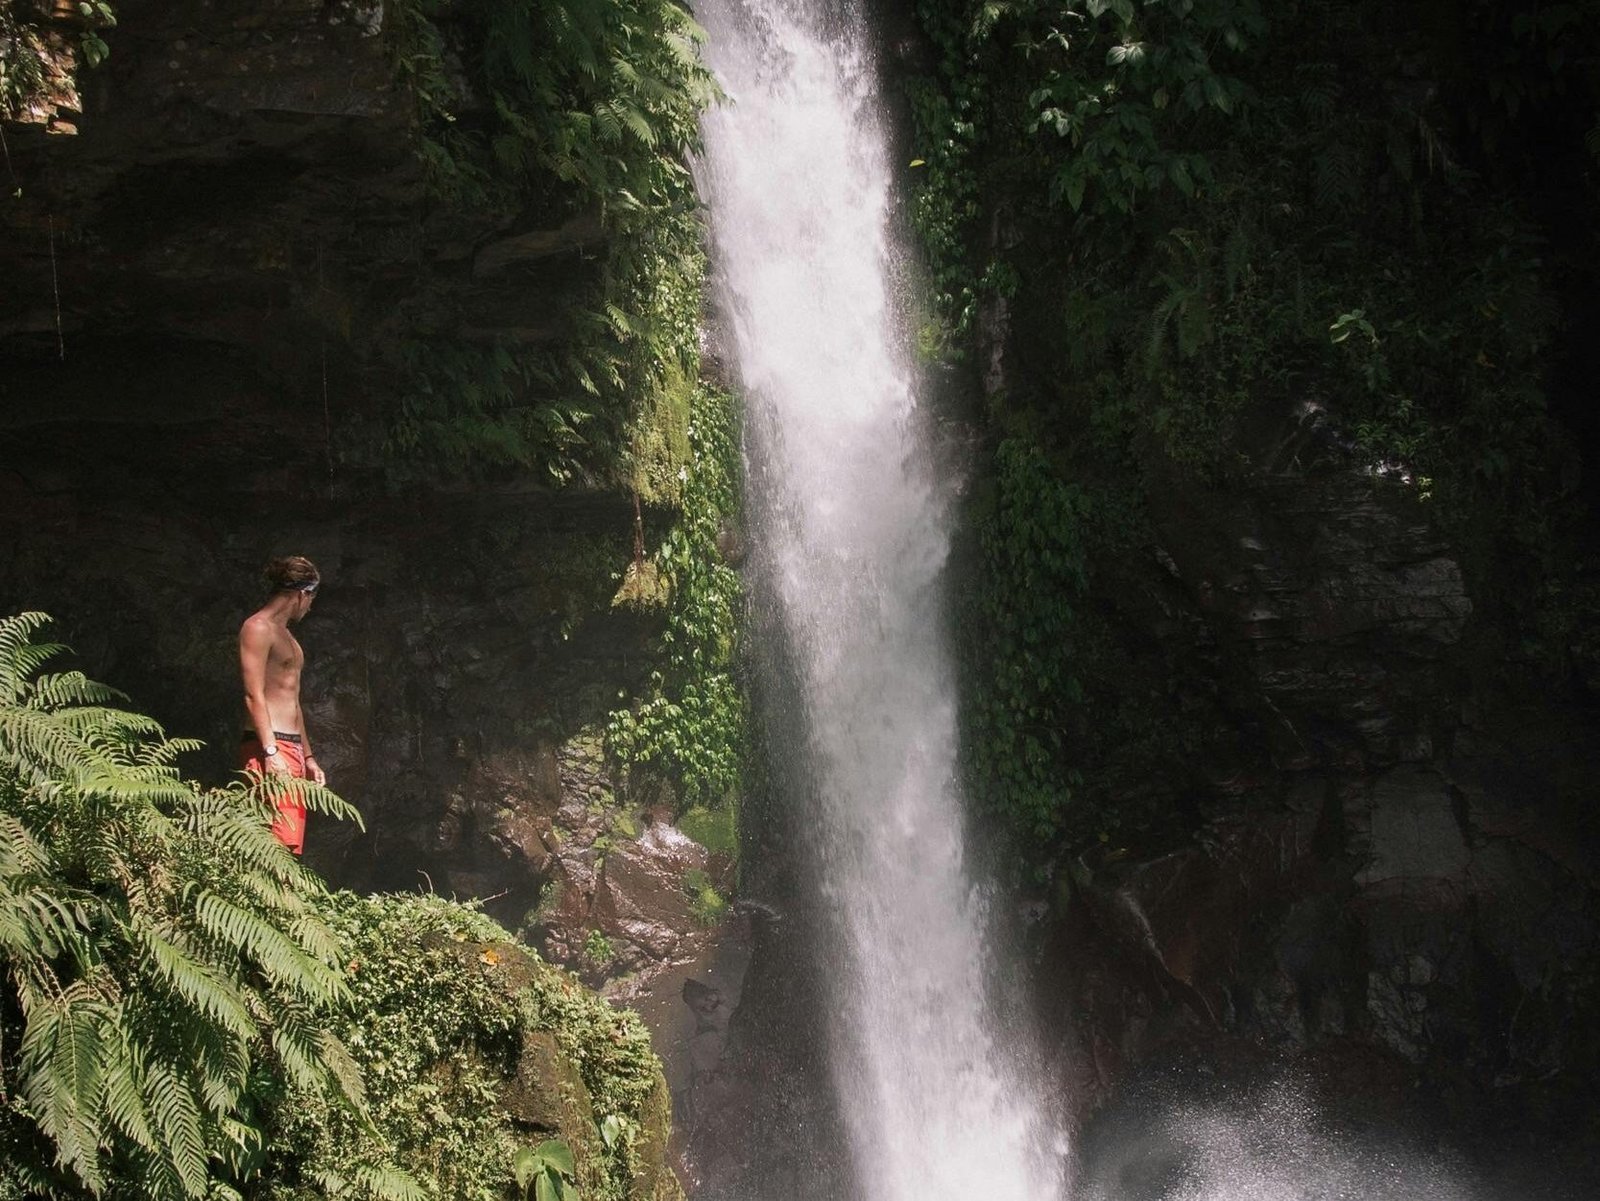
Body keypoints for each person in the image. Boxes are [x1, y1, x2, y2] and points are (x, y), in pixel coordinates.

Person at [239, 555, 326, 854]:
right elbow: (253, 694)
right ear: (303, 594)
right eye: (312, 598)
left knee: (288, 848)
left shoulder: (287, 635)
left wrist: (310, 757)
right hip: (270, 746)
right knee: (270, 846)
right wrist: (271, 751)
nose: (311, 607)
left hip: (293, 750)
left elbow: (293, 701)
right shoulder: (258, 627)